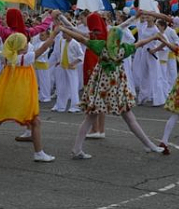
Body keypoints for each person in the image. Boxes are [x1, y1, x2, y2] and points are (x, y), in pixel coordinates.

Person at [59, 26, 166, 159]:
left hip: (100, 89)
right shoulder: (123, 49)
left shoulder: (101, 47)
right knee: (129, 118)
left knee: (90, 118)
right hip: (116, 89)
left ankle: (77, 149)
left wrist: (64, 28)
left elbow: (81, 38)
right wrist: (154, 37)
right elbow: (140, 43)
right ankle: (149, 145)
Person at [0, 31, 58, 162]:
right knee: (35, 121)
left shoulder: (6, 57)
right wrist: (54, 34)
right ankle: (39, 153)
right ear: (20, 47)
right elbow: (44, 47)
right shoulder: (25, 58)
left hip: (8, 93)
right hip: (20, 95)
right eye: (25, 44)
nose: (27, 46)